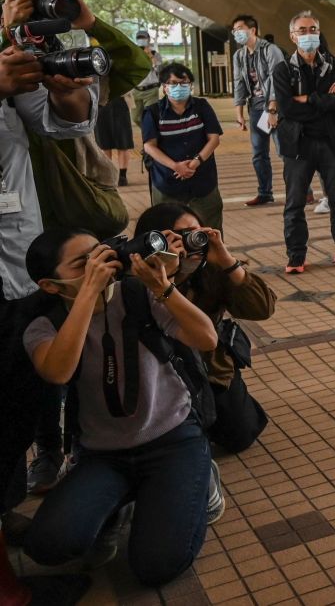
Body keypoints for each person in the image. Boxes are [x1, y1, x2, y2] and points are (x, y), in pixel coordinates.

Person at [19, 227, 220, 587]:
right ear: (50, 285)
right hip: (103, 455)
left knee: (156, 565)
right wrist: (88, 295)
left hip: (173, 440)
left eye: (101, 253)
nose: (101, 266)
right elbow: (57, 370)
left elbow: (206, 338)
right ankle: (118, 506)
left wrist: (164, 287)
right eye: (84, 263)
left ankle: (201, 481)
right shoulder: (44, 325)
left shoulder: (139, 296)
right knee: (47, 545)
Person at [0, 0, 99, 593]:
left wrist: (67, 89)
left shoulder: (13, 52)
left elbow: (66, 122)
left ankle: (7, 501)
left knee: (19, 397)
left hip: (18, 265)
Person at [135, 203, 276, 453]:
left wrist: (228, 262)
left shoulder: (212, 268)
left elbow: (262, 309)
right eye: (181, 236)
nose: (193, 242)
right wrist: (167, 278)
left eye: (197, 233)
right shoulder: (140, 273)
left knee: (239, 435)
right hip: (156, 373)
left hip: (209, 369)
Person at [272, 11, 335, 274]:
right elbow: (288, 108)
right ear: (292, 36)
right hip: (298, 145)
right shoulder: (283, 69)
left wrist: (310, 99)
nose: (309, 35)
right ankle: (296, 256)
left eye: (313, 29)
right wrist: (325, 100)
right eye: (302, 31)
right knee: (295, 202)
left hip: (331, 143)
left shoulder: (331, 63)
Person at [141, 64, 224, 233]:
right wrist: (176, 166)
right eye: (173, 83)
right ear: (164, 87)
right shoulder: (153, 112)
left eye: (183, 83)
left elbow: (214, 139)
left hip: (203, 181)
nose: (179, 87)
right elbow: (149, 146)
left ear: (191, 85)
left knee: (210, 231)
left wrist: (195, 163)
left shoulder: (202, 107)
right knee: (166, 233)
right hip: (167, 182)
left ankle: (215, 259)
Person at [231, 14, 285, 208]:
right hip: (255, 107)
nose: (236, 33)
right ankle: (265, 193)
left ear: (252, 30)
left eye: (239, 29)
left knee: (284, 151)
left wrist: (272, 109)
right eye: (234, 30)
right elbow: (239, 84)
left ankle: (303, 191)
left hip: (274, 106)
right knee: (259, 154)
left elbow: (278, 81)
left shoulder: (271, 50)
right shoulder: (239, 56)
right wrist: (239, 113)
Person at [129, 30, 162, 126]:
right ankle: (148, 133)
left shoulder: (155, 53)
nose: (141, 40)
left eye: (143, 38)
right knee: (135, 118)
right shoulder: (133, 53)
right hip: (136, 90)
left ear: (148, 39)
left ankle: (152, 137)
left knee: (151, 115)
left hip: (151, 90)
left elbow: (158, 67)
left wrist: (150, 55)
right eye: (139, 38)